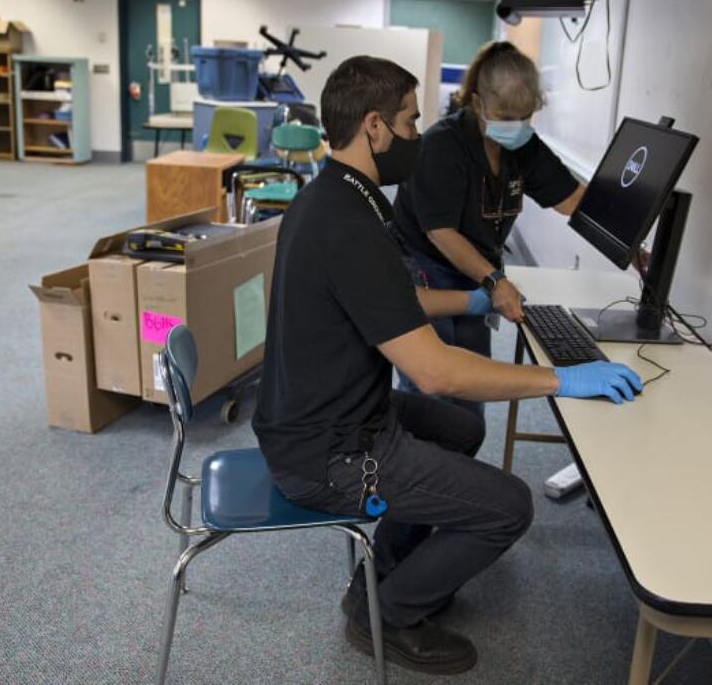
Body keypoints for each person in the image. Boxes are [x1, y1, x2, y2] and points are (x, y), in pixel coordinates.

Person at [251, 56, 645, 675]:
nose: (417, 136)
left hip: (321, 418)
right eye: (410, 123)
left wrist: (472, 298)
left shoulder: (335, 198)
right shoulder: (348, 224)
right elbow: (436, 371)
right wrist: (562, 379)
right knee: (511, 506)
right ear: (374, 128)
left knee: (462, 430)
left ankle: (381, 576)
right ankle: (389, 614)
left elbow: (392, 301)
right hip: (330, 454)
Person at [391, 41, 586, 419]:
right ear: (477, 103)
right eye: (504, 115)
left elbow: (571, 199)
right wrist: (495, 281)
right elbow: (441, 232)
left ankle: (456, 467)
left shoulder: (524, 147)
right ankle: (419, 473)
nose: (514, 126)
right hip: (424, 265)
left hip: (473, 272)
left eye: (524, 117)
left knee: (470, 389)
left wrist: (628, 218)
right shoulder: (441, 146)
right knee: (431, 388)